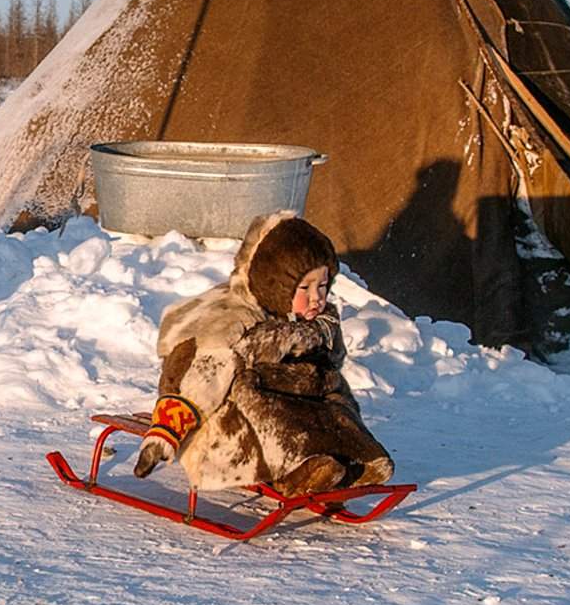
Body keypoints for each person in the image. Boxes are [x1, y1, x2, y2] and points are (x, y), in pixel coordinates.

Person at [131, 210, 392, 497]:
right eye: (304, 287)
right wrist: (164, 434)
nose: (317, 297)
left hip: (299, 400)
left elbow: (333, 361)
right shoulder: (233, 322)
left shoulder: (319, 322)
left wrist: (320, 341)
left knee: (335, 394)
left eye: (323, 285)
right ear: (277, 285)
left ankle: (355, 456)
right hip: (226, 423)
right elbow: (196, 377)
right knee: (264, 404)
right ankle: (292, 473)